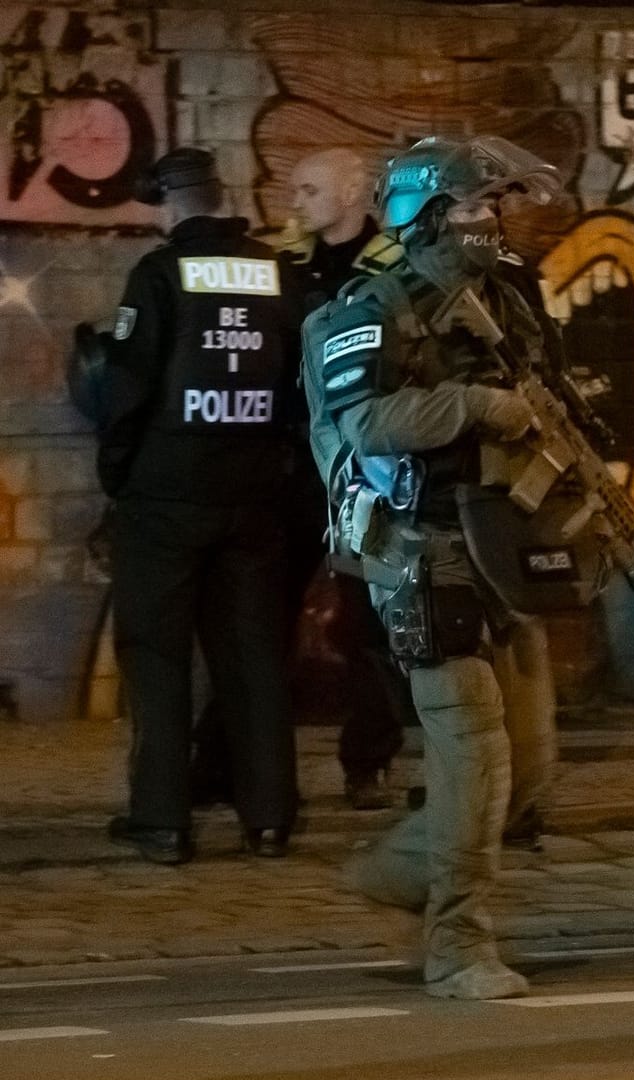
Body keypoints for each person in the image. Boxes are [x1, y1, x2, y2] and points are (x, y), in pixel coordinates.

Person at [309, 135, 564, 1000]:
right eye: (472, 206)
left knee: (526, 768)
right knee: (476, 752)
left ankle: (395, 871)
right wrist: (476, 406)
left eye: (495, 204)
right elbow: (365, 422)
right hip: (420, 549)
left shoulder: (505, 300)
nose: (490, 220)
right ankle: (458, 945)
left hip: (502, 545)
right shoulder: (370, 306)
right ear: (425, 215)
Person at [189, 147, 410, 812]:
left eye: (311, 190)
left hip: (363, 472)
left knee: (370, 626)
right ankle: (223, 762)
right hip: (288, 469)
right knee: (257, 621)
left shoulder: (396, 267)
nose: (297, 202)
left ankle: (368, 764)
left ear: (352, 193)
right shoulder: (278, 264)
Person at [97, 147, 302, 864]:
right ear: (219, 195)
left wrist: (118, 476)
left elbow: (127, 389)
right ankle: (269, 819)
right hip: (254, 495)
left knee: (156, 655)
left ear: (168, 204)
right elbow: (301, 381)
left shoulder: (158, 275)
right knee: (253, 657)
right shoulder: (276, 272)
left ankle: (162, 820)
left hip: (165, 496)